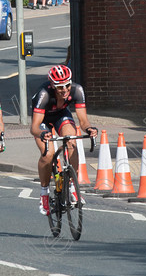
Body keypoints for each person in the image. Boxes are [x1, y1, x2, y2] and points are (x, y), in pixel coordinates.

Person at [30, 65, 97, 216]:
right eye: (60, 87)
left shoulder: (77, 90)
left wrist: (89, 129)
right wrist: (42, 134)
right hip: (43, 119)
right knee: (47, 154)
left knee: (71, 142)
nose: (65, 90)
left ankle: (72, 186)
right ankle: (44, 194)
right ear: (53, 86)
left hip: (61, 115)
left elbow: (83, 121)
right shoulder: (44, 94)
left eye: (67, 85)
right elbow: (34, 128)